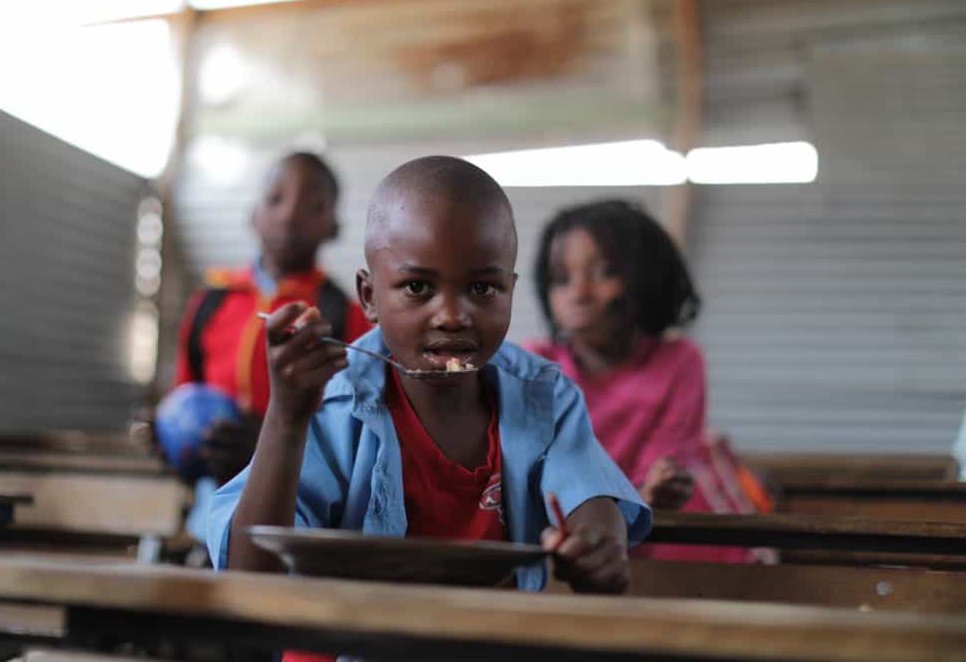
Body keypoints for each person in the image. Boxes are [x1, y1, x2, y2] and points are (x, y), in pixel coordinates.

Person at [207, 157, 650, 604]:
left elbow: (591, 500)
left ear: (510, 291)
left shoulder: (541, 396)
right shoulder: (331, 403)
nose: (453, 316)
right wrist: (286, 417)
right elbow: (250, 575)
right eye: (418, 287)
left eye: (482, 289)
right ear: (369, 297)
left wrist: (597, 544)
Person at [526, 199, 769, 562]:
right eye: (561, 279)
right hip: (572, 530)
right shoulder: (537, 364)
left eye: (604, 272)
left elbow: (663, 470)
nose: (578, 293)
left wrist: (653, 491)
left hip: (662, 531)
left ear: (646, 278)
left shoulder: (679, 361)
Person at [174, 151, 373, 485]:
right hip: (209, 505)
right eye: (275, 198)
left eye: (314, 206)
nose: (290, 215)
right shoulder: (210, 301)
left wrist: (273, 441)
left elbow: (357, 426)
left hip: (298, 499)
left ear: (334, 227)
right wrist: (168, 432)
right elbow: (184, 394)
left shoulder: (344, 316)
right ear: (253, 214)